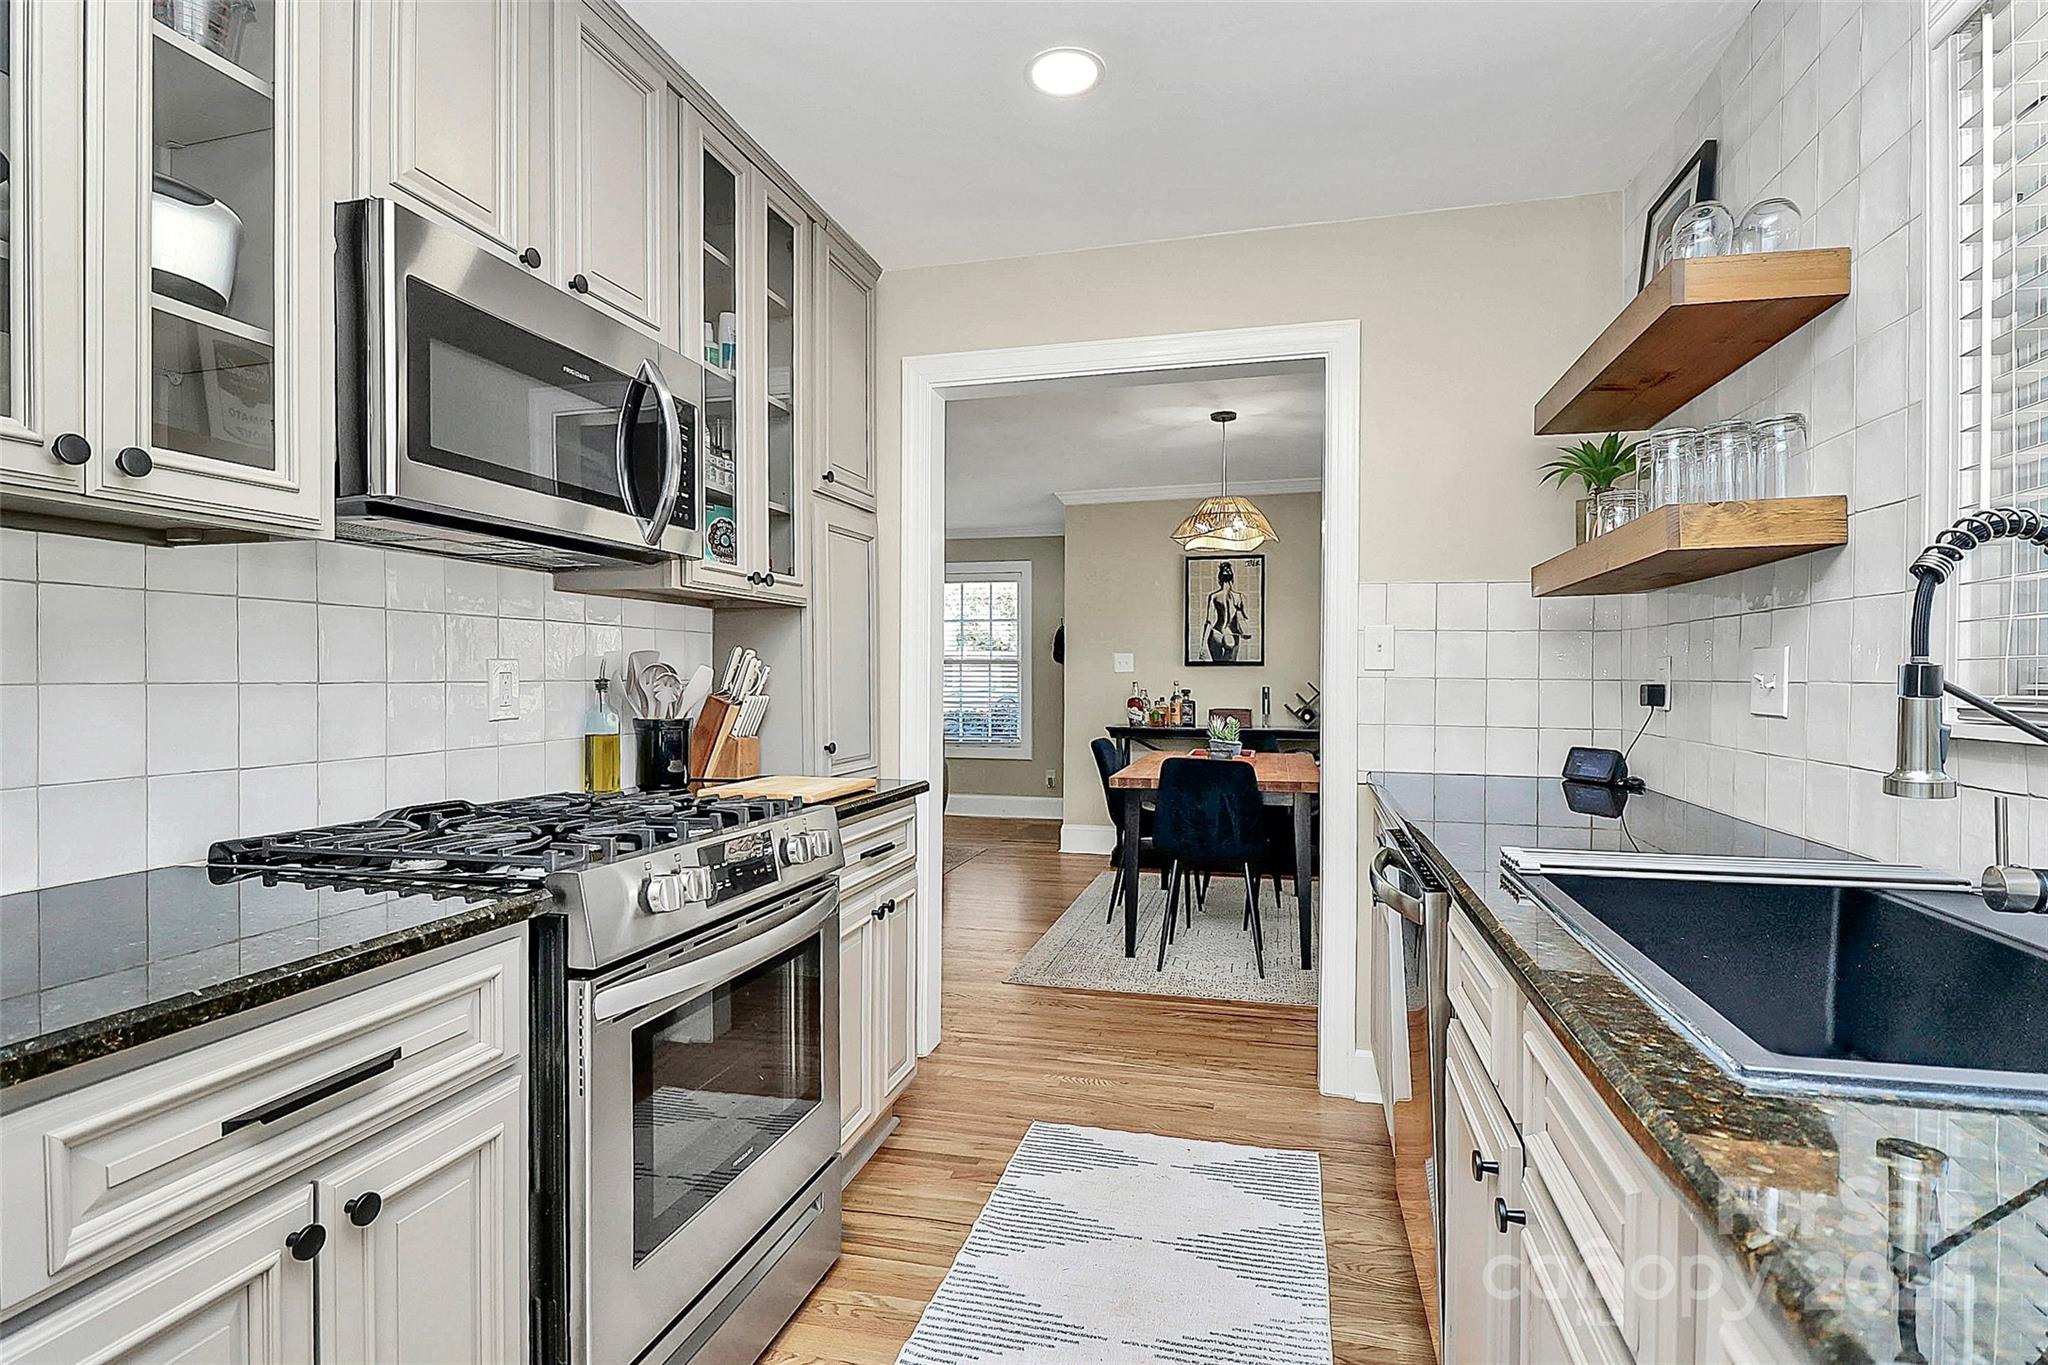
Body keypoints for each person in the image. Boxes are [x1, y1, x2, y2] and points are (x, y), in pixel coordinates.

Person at [1204, 561, 1253, 663]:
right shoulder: (1239, 597)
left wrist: (1202, 646)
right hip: (1231, 635)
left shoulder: (1213, 596)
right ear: (1233, 579)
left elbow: (1209, 621)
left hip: (1216, 634)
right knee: (1230, 668)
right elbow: (1245, 617)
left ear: (1219, 580)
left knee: (1216, 667)